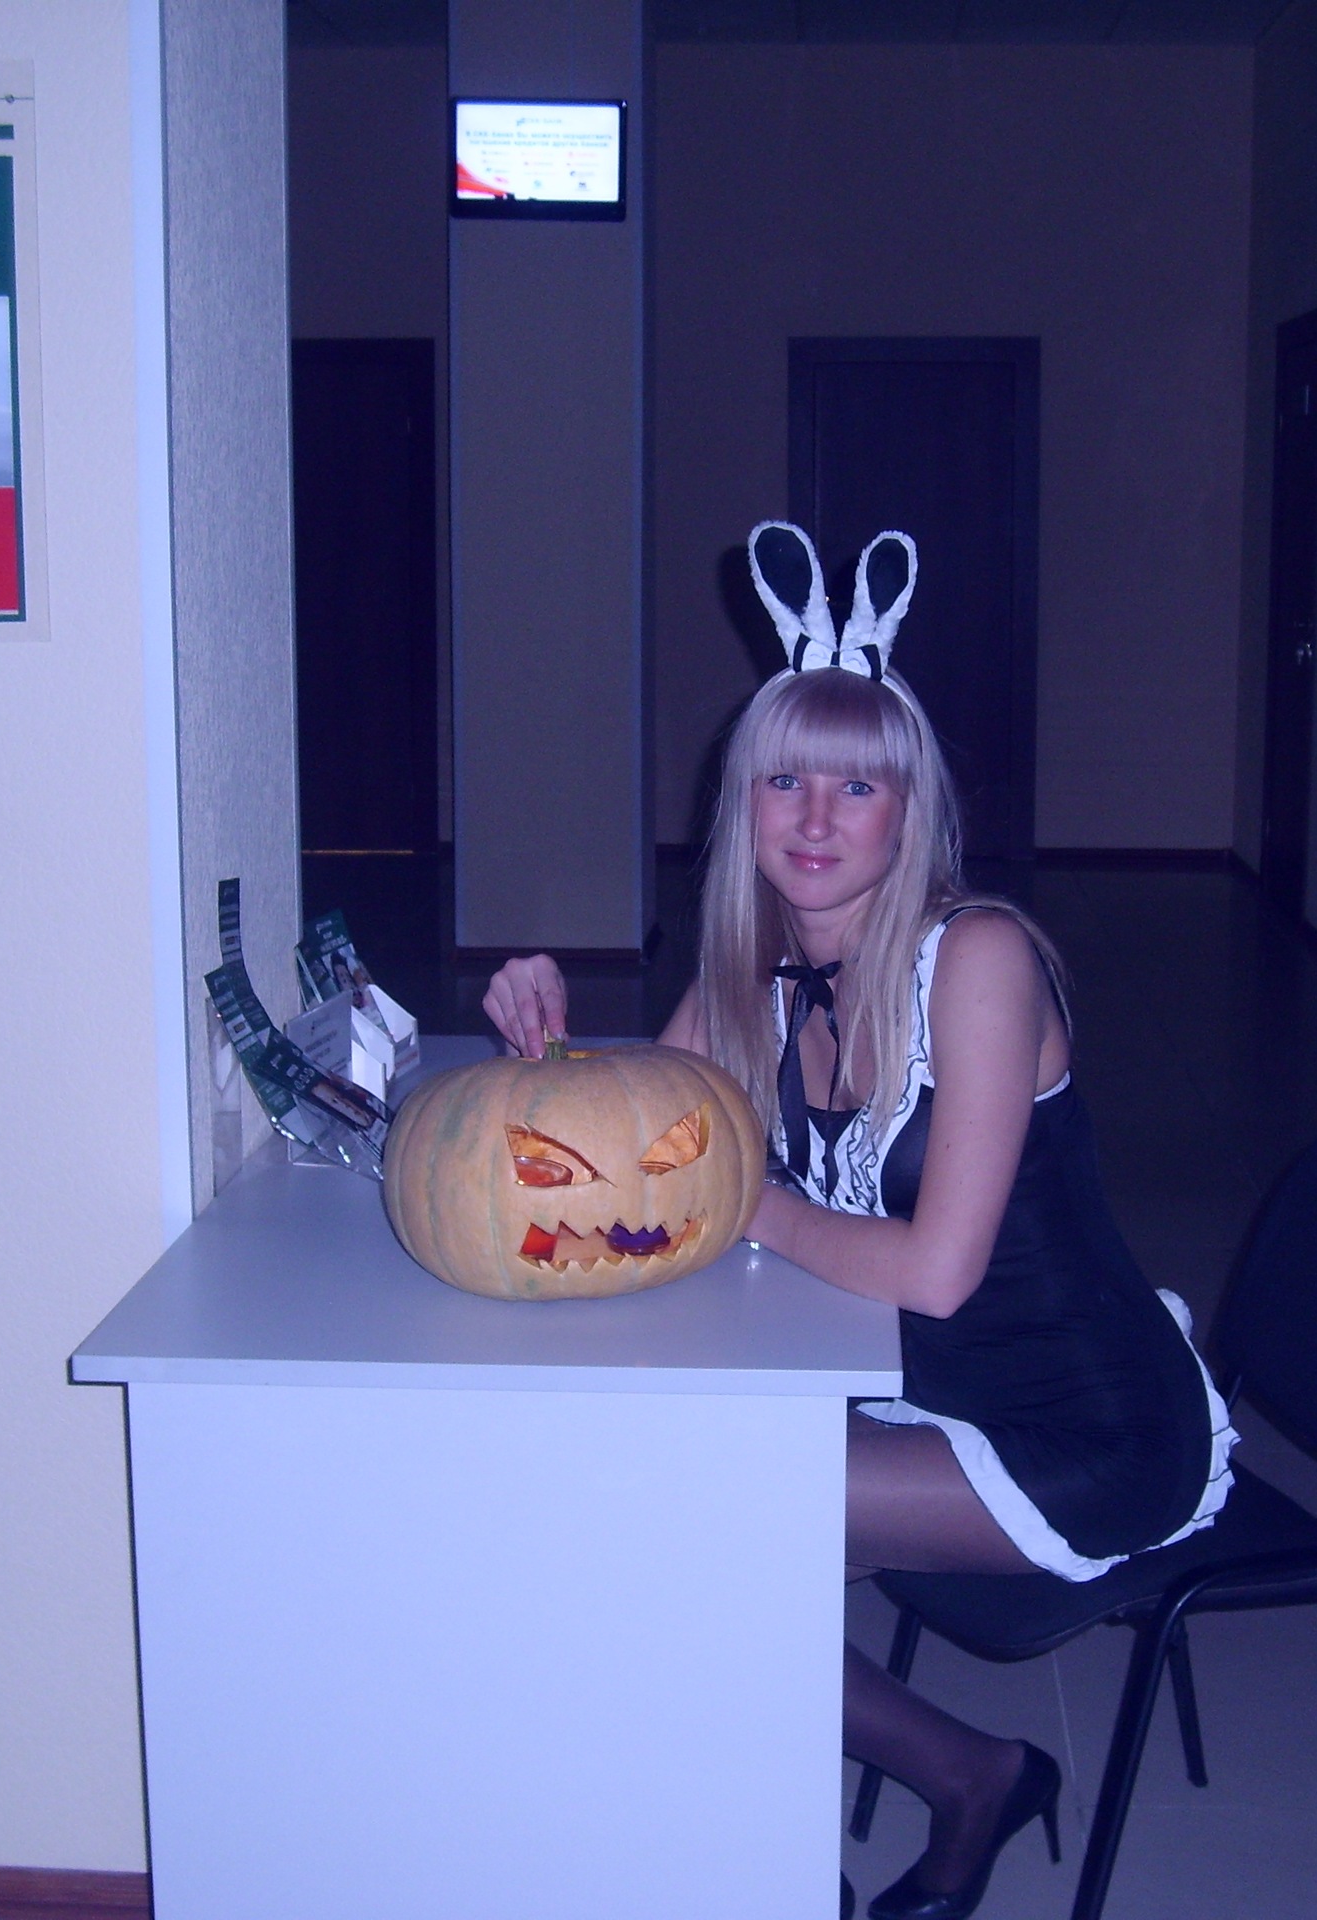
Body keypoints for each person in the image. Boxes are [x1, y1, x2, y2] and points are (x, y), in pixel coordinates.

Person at [484, 523, 1236, 1920]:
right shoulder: (752, 972)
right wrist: (548, 1046)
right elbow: (640, 1153)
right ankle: (952, 1780)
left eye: (858, 786)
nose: (817, 819)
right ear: (742, 804)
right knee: (650, 1516)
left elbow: (935, 1275)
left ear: (911, 811)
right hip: (919, 1392)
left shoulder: (980, 959)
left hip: (1084, 1426)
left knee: (689, 1521)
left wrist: (749, 1206)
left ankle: (826, 1835)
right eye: (785, 780)